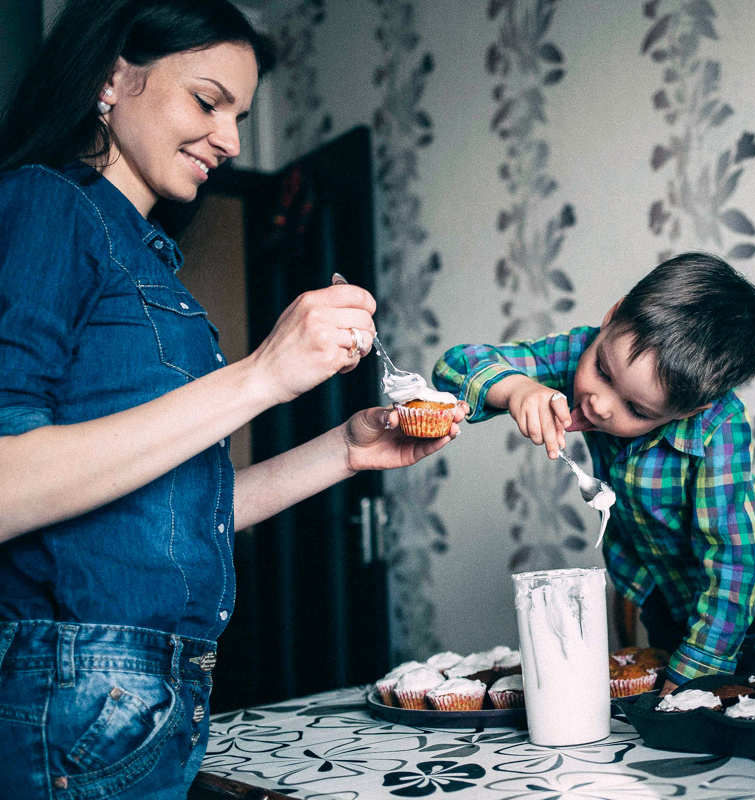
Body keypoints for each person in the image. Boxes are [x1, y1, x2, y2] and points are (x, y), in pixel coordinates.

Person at [0, 1, 464, 797]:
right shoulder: (46, 205)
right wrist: (263, 374)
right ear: (114, 77)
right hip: (71, 687)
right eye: (208, 101)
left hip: (152, 691)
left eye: (241, 115)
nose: (233, 140)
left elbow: (165, 515)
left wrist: (344, 451)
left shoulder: (147, 263)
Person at [434, 252, 755, 694]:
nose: (599, 403)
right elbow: (453, 368)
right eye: (602, 372)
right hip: (659, 587)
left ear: (690, 409)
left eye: (636, 409)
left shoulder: (719, 427)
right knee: (673, 722)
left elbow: (731, 558)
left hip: (746, 599)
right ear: (612, 316)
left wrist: (698, 666)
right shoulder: (578, 350)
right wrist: (516, 388)